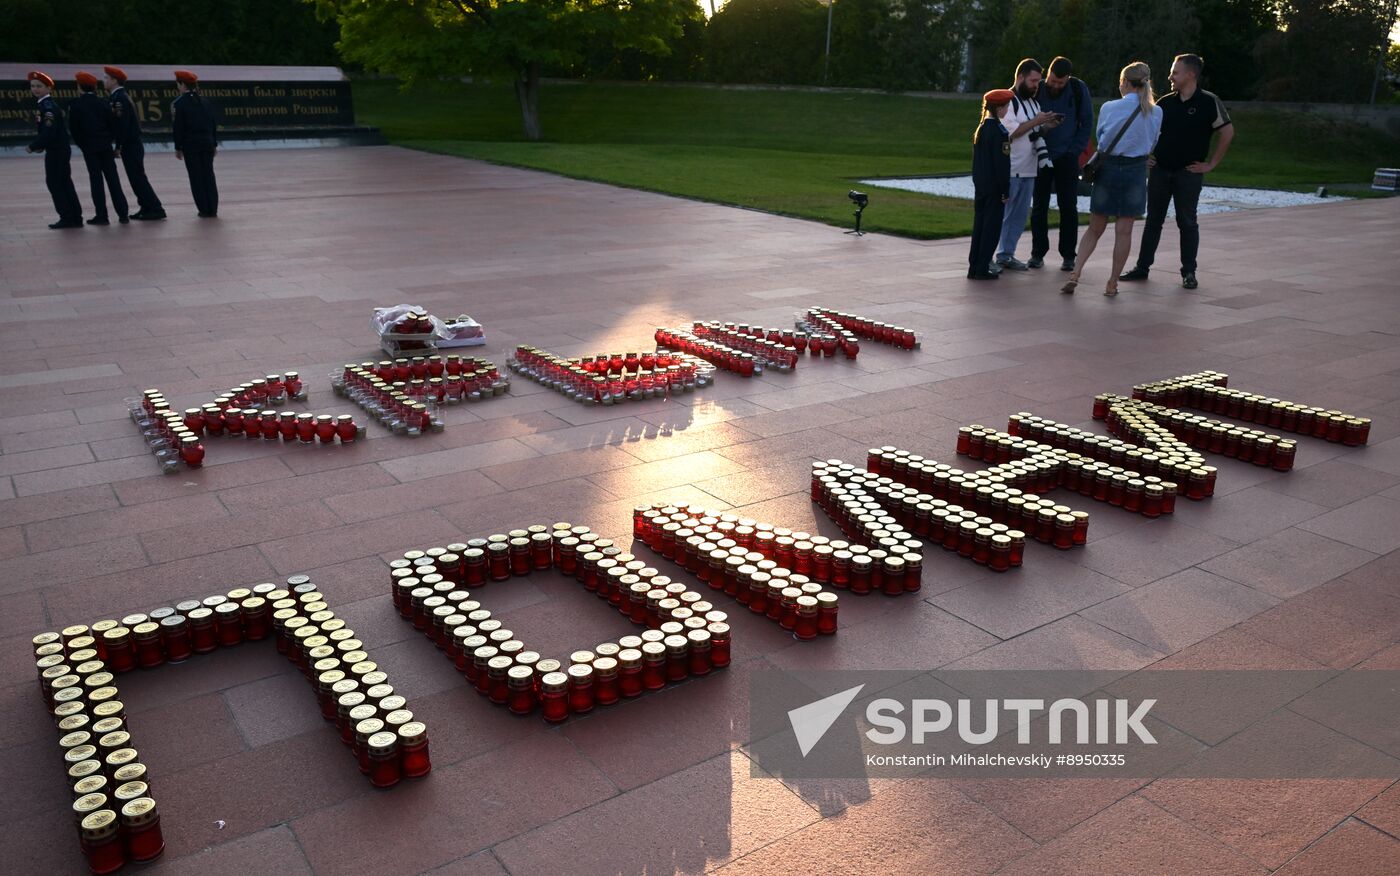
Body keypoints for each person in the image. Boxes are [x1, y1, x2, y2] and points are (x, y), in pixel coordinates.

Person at [1120, 53, 1234, 290]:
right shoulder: (1164, 103)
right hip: (1161, 171)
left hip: (1189, 173)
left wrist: (1211, 164)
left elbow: (1227, 132)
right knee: (1153, 220)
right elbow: (1148, 131)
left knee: (1187, 222)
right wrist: (1146, 156)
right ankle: (1142, 267)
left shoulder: (1208, 102)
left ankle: (1189, 272)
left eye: (1175, 72)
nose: (1170, 76)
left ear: (1191, 74)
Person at [1062, 61, 1162, 297]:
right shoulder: (1156, 111)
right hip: (1136, 170)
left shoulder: (1110, 107)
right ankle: (1112, 282)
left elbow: (1102, 138)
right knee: (1124, 230)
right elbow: (1153, 141)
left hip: (1108, 169)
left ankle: (1076, 272)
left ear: (1125, 82)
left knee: (1095, 227)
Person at [993, 59, 1061, 273]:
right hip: (1010, 168)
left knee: (1019, 216)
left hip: (1030, 168)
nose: (1036, 86)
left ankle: (1006, 255)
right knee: (1002, 215)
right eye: (1033, 81)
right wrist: (1037, 121)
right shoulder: (1007, 101)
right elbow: (1011, 133)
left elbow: (1034, 134)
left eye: (1038, 82)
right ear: (1020, 77)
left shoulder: (1033, 103)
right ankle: (989, 256)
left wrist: (1048, 126)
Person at [1030, 57, 1093, 271]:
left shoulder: (1077, 89)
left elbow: (1086, 122)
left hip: (1067, 156)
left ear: (1068, 78)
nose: (1056, 86)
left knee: (1069, 206)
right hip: (1039, 154)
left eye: (1060, 82)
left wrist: (1074, 151)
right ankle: (1037, 253)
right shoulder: (1037, 89)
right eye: (1053, 81)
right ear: (1048, 75)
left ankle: (1068, 255)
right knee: (1039, 205)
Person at [103, 66, 166, 221]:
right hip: (131, 144)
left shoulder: (120, 99)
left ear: (114, 80)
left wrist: (118, 146)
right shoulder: (119, 96)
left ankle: (156, 208)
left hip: (130, 144)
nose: (103, 81)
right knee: (135, 178)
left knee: (138, 178)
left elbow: (122, 125)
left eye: (106, 78)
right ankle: (145, 207)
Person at [69, 71, 129, 225]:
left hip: (90, 148)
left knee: (96, 181)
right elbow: (113, 125)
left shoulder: (76, 105)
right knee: (113, 180)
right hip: (105, 147)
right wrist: (110, 142)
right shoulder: (104, 103)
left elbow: (74, 130)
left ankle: (102, 215)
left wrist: (83, 145)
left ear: (79, 87)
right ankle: (123, 213)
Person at [24, 71, 83, 229]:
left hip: (57, 150)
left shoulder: (47, 106)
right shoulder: (44, 105)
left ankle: (67, 217)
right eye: (33, 86)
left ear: (49, 88)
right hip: (59, 149)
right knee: (64, 182)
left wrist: (34, 146)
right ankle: (75, 216)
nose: (35, 89)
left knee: (55, 183)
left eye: (39, 86)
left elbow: (49, 132)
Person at [968, 89, 1014, 282]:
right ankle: (983, 266)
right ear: (1000, 108)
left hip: (981, 185)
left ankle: (974, 265)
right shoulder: (1000, 132)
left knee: (979, 226)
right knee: (991, 228)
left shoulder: (981, 129)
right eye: (1007, 106)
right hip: (994, 188)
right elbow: (1002, 166)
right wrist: (1005, 189)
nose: (1008, 109)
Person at [172, 70, 219, 217]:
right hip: (207, 143)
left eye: (178, 84)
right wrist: (214, 144)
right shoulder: (205, 102)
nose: (178, 87)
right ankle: (213, 208)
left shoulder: (179, 104)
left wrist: (178, 147)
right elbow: (212, 124)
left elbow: (178, 127)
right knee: (209, 175)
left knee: (196, 177)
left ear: (183, 85)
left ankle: (204, 209)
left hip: (191, 145)